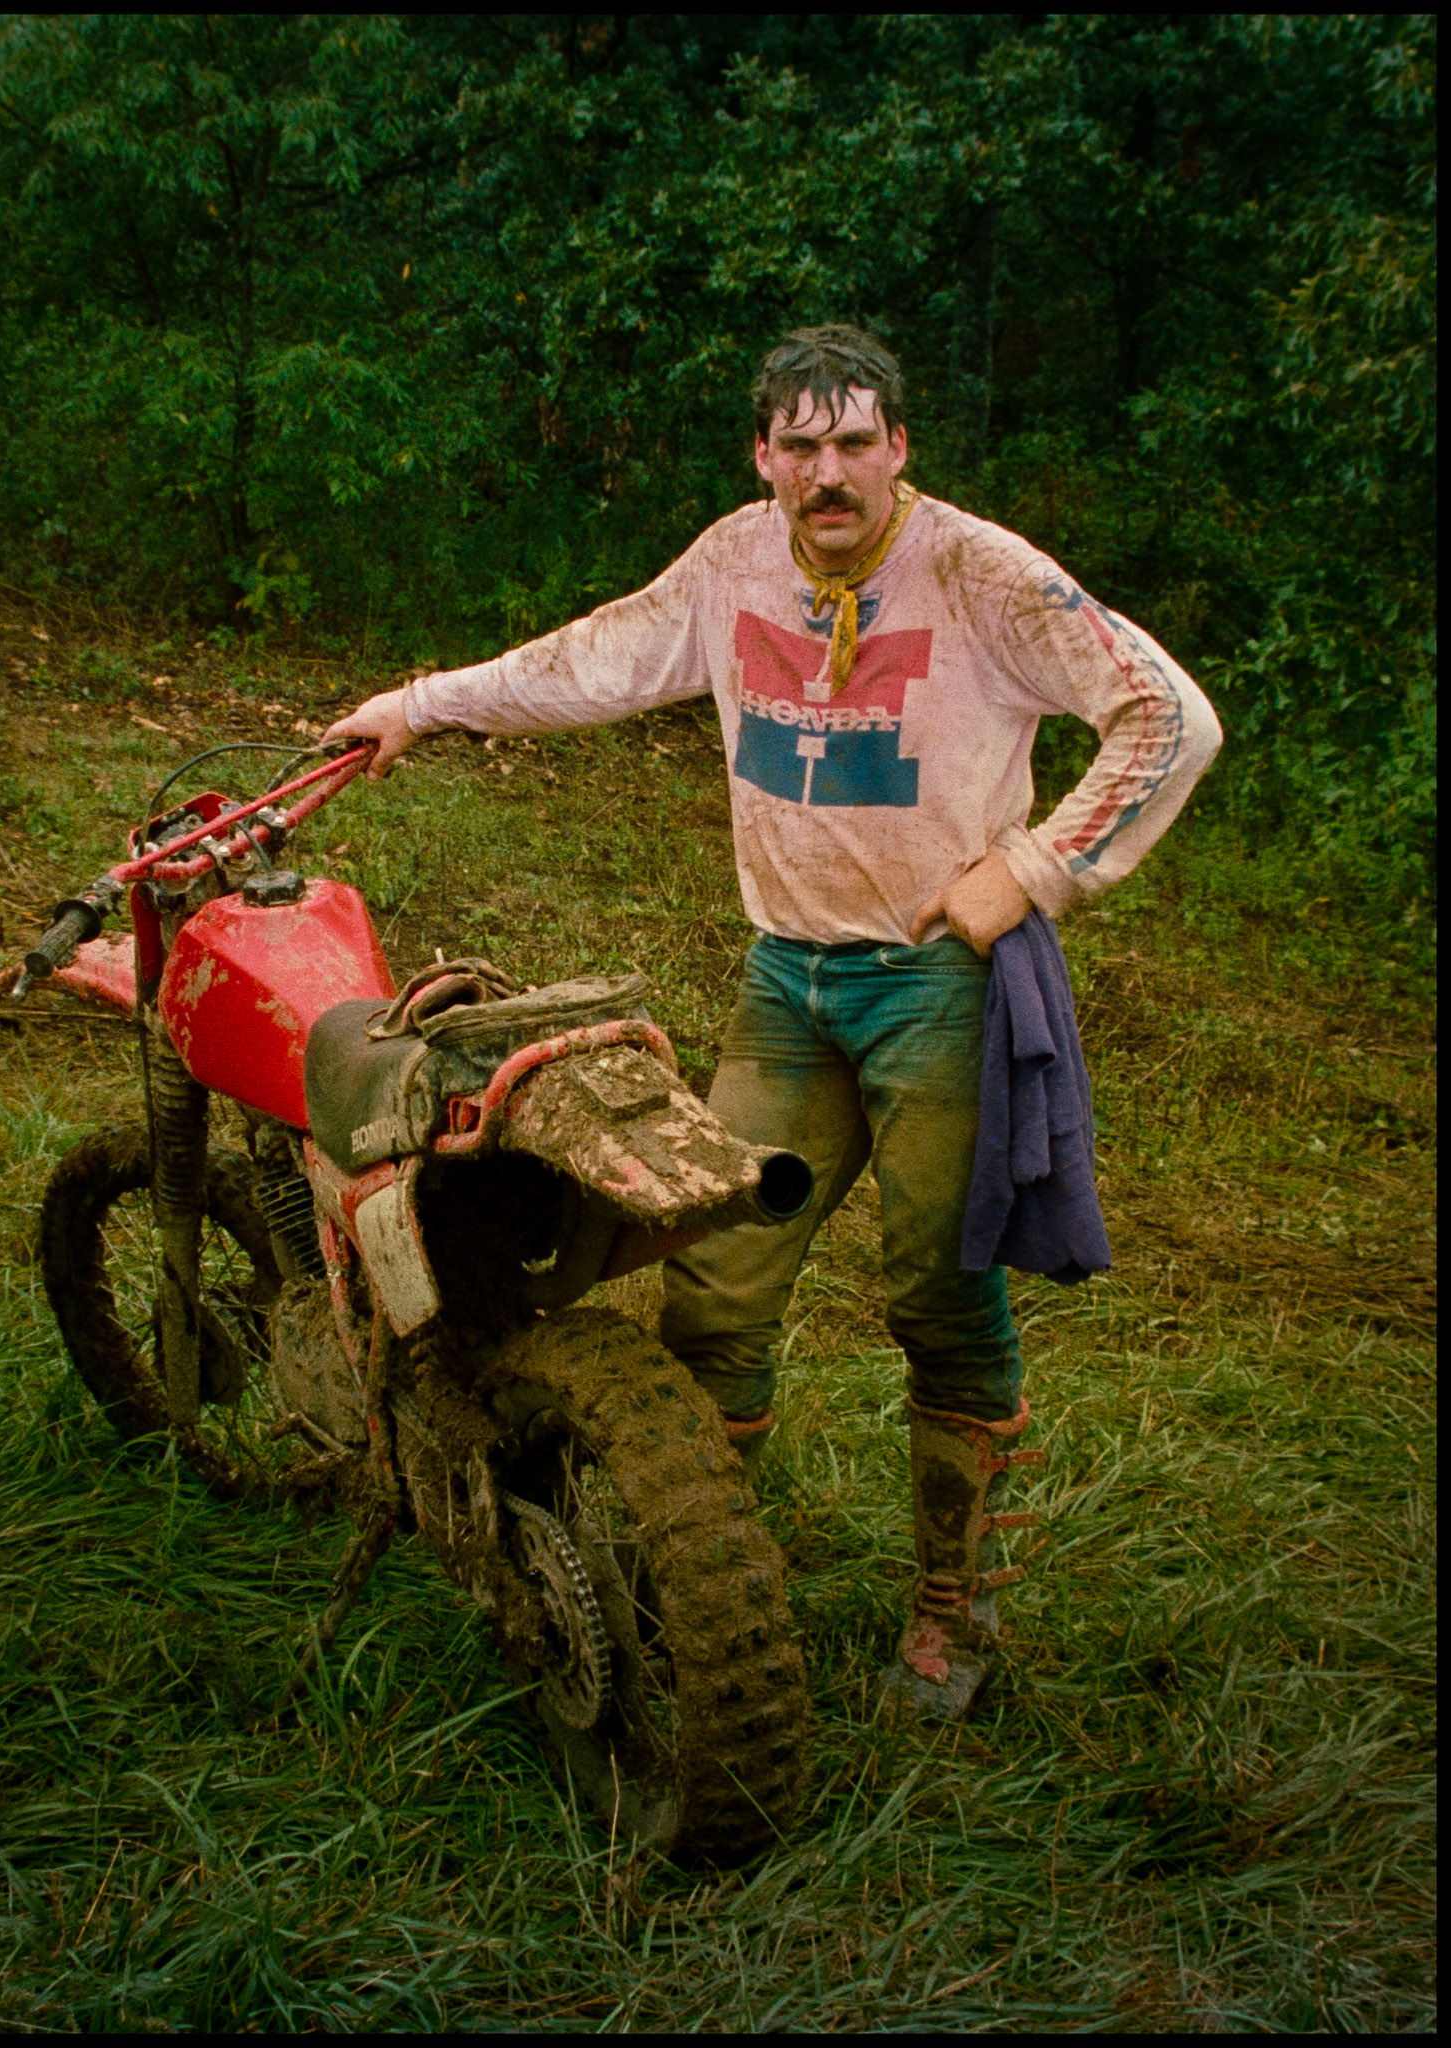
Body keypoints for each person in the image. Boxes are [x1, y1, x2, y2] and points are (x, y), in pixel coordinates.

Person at [321, 325, 1223, 1723]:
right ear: (763, 456)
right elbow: (600, 657)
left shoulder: (983, 572)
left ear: (899, 448)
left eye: (855, 442)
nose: (828, 473)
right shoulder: (737, 560)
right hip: (787, 986)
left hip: (936, 989)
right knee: (711, 1269)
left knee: (938, 1292)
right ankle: (703, 1576)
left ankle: (952, 1618)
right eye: (800, 447)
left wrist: (1034, 868)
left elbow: (1167, 718)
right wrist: (422, 708)